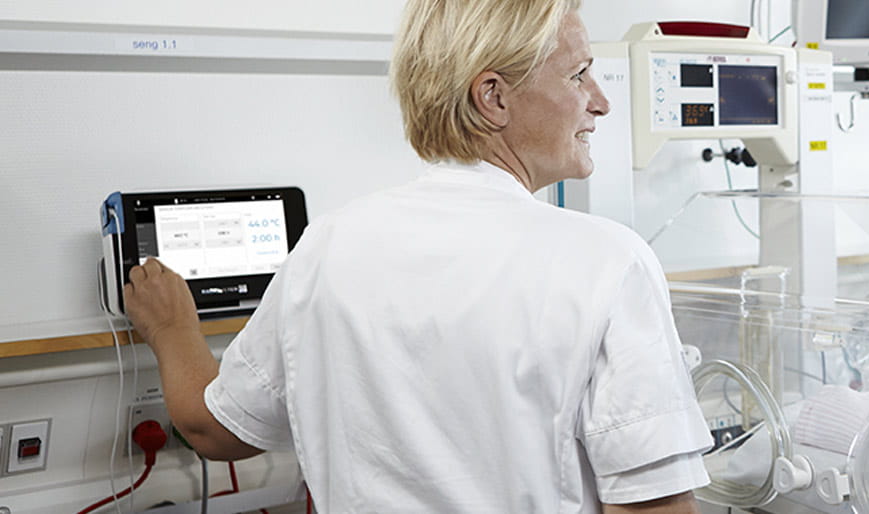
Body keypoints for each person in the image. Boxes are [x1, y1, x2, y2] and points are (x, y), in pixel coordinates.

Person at [121, 0, 711, 512]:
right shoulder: (608, 262)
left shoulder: (328, 246)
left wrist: (172, 328)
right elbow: (654, 506)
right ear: (493, 98)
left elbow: (215, 429)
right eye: (580, 76)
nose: (601, 102)